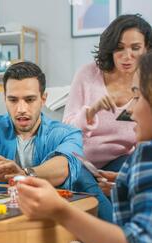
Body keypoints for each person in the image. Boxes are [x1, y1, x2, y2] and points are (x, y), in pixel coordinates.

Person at [17, 51, 152, 243]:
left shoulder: (145, 154)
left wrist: (60, 210)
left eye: (137, 96)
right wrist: (121, 185)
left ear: (43, 99)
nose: (129, 110)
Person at [0, 62, 112, 222]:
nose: (21, 109)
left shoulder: (68, 133)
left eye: (29, 99)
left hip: (48, 219)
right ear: (4, 99)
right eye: (13, 100)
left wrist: (24, 174)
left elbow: (65, 166)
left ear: (43, 99)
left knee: (83, 176)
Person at [63, 14, 151, 177]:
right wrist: (91, 112)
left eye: (135, 48)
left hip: (120, 163)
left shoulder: (147, 83)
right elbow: (65, 131)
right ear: (110, 48)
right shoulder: (87, 74)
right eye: (119, 47)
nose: (127, 56)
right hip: (79, 162)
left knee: (133, 172)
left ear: (147, 49)